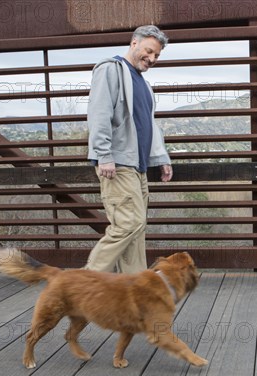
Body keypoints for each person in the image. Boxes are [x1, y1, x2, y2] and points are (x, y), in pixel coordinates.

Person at [85, 25, 173, 273]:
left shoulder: (143, 85)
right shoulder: (110, 69)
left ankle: (135, 293)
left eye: (157, 55)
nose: (152, 59)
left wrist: (161, 158)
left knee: (136, 232)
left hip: (139, 167)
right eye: (149, 51)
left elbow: (148, 125)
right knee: (127, 224)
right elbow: (99, 113)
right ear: (134, 43)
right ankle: (85, 281)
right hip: (118, 164)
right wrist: (104, 155)